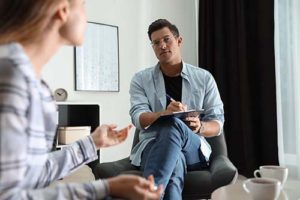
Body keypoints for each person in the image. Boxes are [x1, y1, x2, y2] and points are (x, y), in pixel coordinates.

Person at [0, 0, 162, 199]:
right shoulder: (11, 77)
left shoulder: (26, 78)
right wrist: (104, 189)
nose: (86, 16)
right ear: (62, 11)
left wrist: (93, 143)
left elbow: (31, 176)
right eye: (83, 5)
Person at [129, 19, 224, 199]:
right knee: (174, 162)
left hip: (193, 148)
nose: (162, 46)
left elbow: (218, 123)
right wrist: (163, 113)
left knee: (173, 126)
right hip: (153, 144)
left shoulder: (204, 78)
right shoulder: (140, 79)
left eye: (167, 39)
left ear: (179, 41)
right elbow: (137, 117)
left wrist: (200, 127)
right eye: (156, 43)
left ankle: (148, 195)